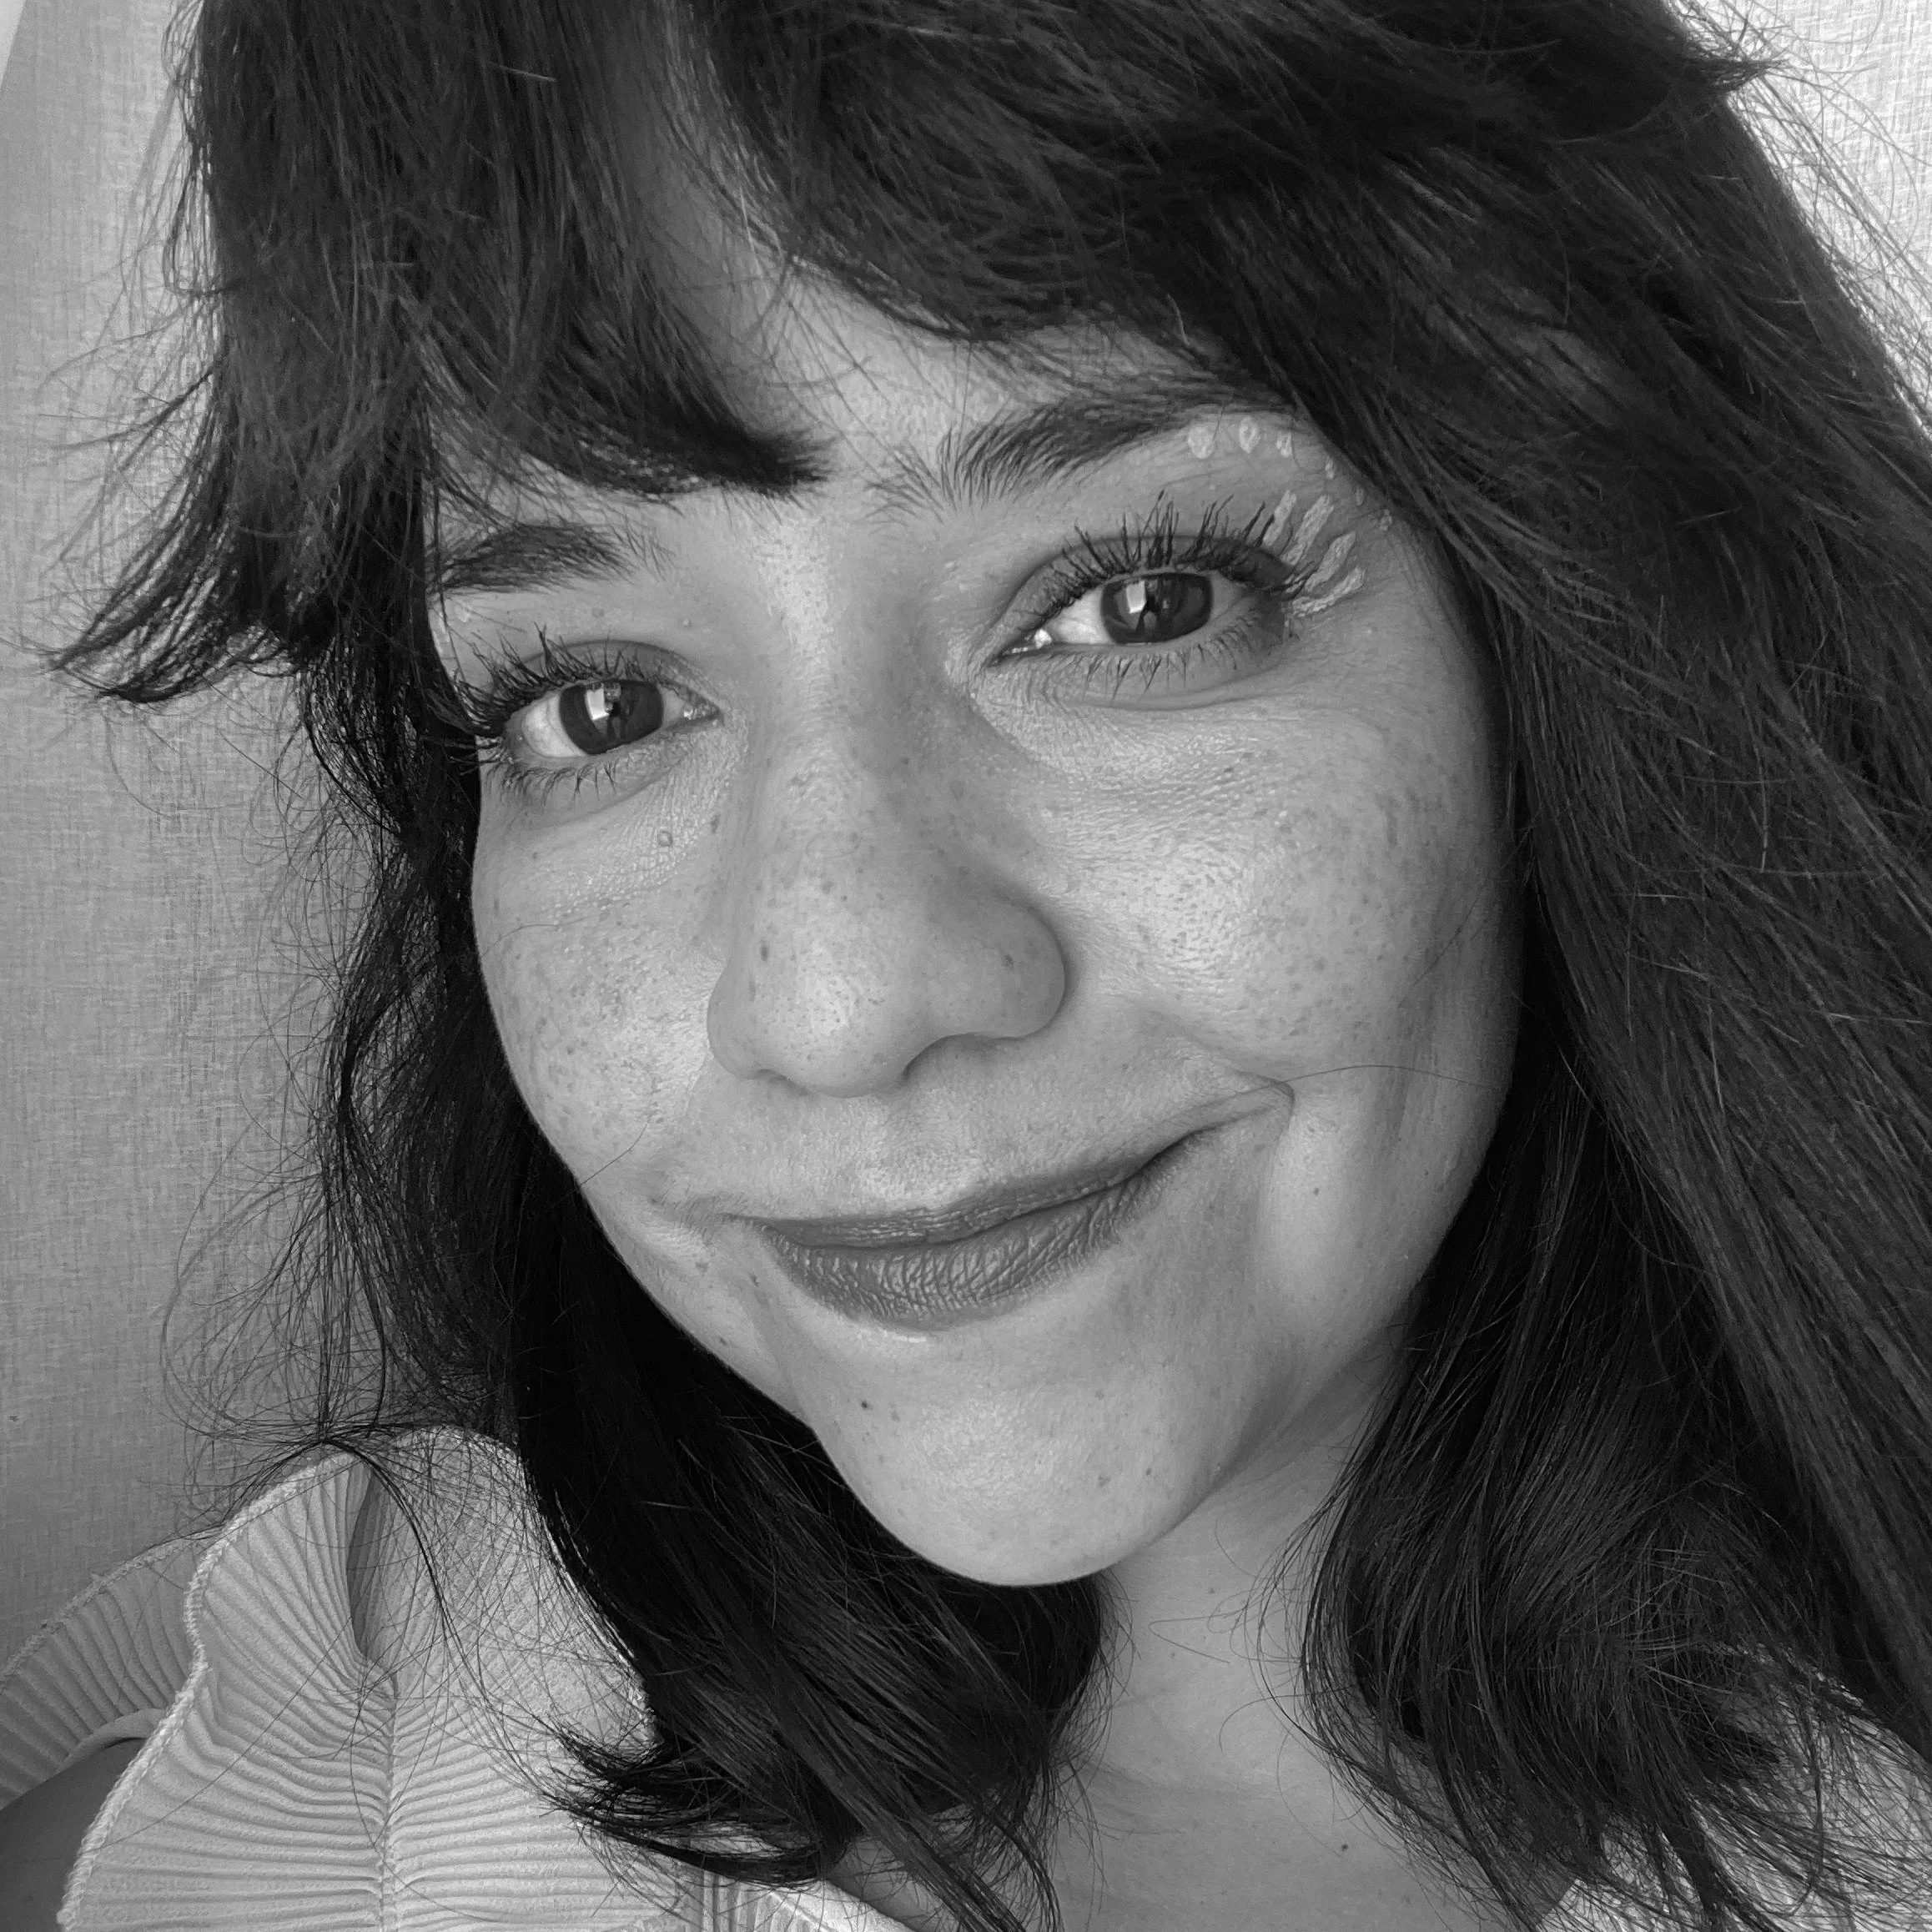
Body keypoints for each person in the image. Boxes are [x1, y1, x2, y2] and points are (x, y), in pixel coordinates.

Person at [4, 0, 1932, 1926]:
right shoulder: (288, 1826)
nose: (836, 1006)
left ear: (1571, 655)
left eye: (1136, 602)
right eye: (597, 703)